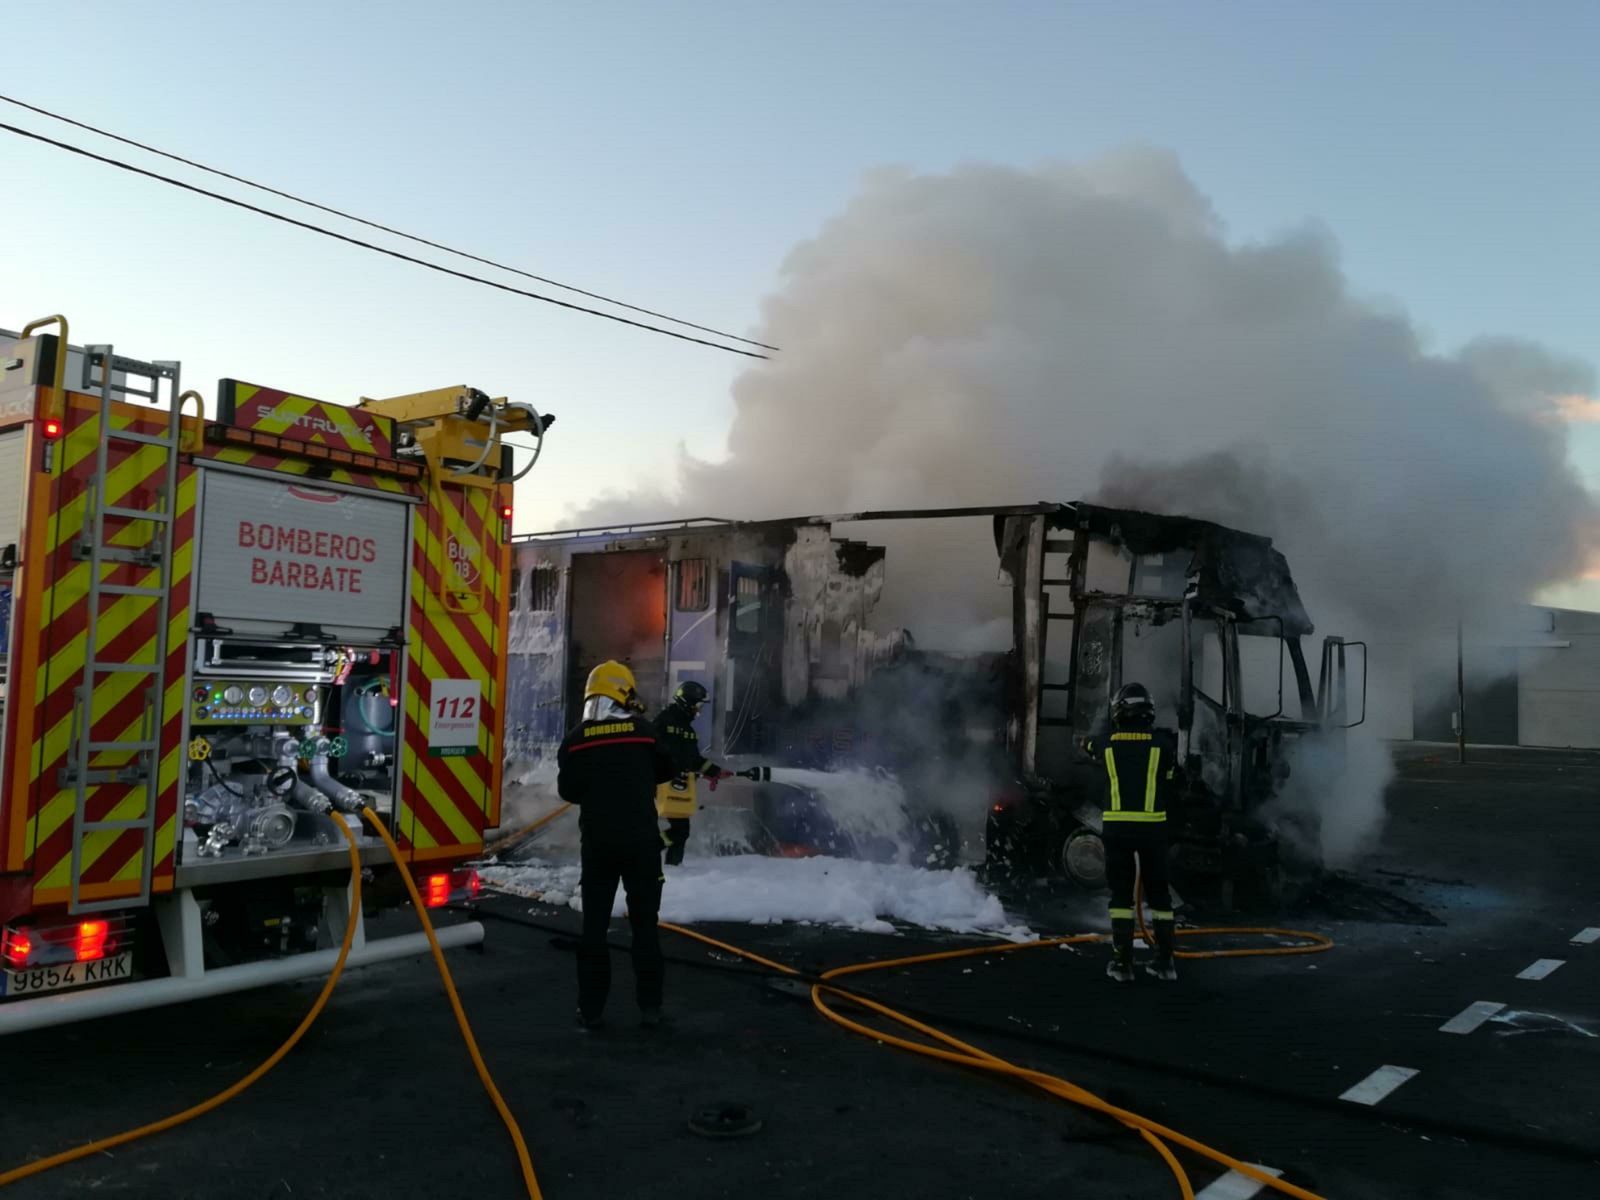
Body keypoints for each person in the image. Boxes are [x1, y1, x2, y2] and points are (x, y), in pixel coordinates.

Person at [556, 659, 677, 1029]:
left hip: (598, 848)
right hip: (641, 846)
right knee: (645, 927)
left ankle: (590, 1011)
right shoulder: (644, 732)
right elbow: (667, 769)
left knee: (593, 930)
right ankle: (650, 1009)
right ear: (624, 694)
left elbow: (569, 791)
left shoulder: (576, 740)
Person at [1085, 682, 1181, 983]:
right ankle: (1165, 963)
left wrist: (1103, 724)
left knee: (1121, 898)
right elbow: (1169, 778)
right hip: (1153, 831)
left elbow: (1087, 745)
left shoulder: (1106, 743)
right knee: (1160, 897)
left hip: (1117, 831)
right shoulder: (1164, 745)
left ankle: (1122, 964)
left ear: (1118, 711)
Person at [653, 680, 728, 866]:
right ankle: (647, 850)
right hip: (660, 783)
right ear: (687, 702)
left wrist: (715, 772)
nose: (699, 711)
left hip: (677, 785)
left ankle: (673, 867)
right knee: (679, 831)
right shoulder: (663, 721)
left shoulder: (688, 730)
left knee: (681, 831)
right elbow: (651, 750)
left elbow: (694, 759)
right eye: (698, 705)